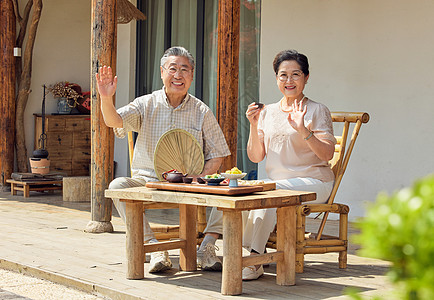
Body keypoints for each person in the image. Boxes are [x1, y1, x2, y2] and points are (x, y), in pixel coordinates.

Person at [199, 49, 336, 280]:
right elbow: (255, 156)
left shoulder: (316, 110)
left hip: (314, 183)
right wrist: (253, 124)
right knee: (236, 190)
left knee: (268, 193)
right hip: (277, 183)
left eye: (296, 74)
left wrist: (303, 129)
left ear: (306, 77)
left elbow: (328, 154)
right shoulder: (268, 112)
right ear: (276, 78)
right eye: (283, 75)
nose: (289, 80)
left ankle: (253, 258)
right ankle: (210, 244)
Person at [95, 46, 230, 274]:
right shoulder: (146, 103)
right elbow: (114, 121)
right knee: (117, 185)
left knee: (230, 186)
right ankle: (154, 246)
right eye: (173, 69)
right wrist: (106, 98)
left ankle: (206, 245)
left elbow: (218, 153)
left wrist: (202, 177)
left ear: (192, 75)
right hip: (148, 179)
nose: (178, 75)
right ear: (161, 72)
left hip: (190, 183)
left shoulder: (201, 110)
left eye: (184, 70)